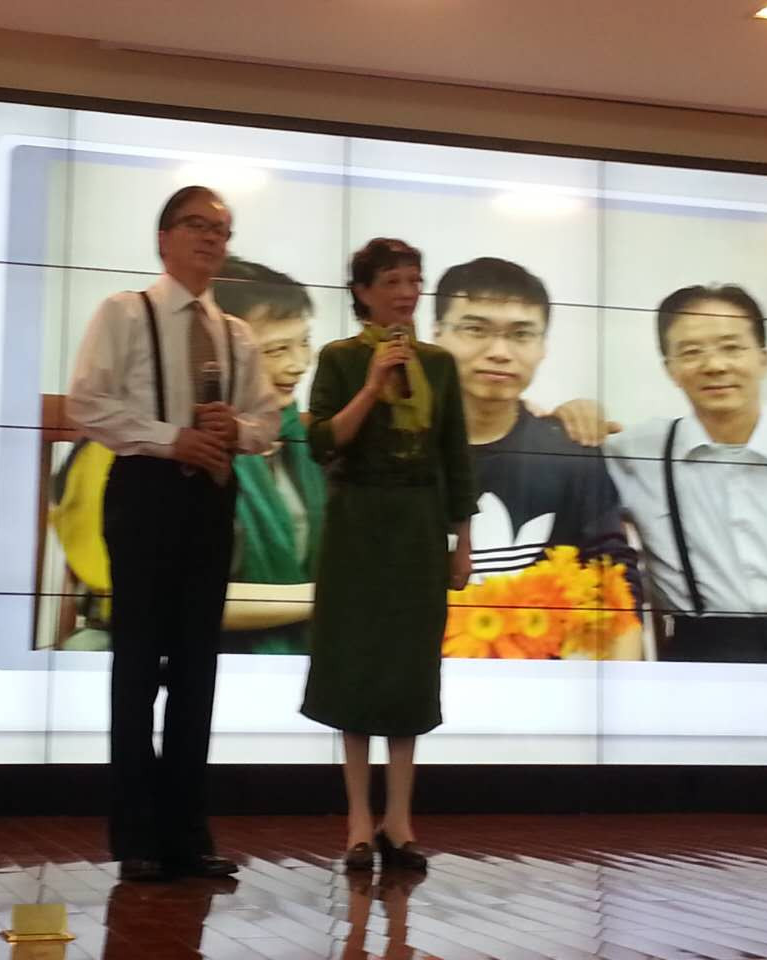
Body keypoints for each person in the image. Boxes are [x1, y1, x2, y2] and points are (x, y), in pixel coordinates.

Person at [67, 186, 280, 881]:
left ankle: (187, 836)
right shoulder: (125, 312)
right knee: (137, 669)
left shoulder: (235, 334)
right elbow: (87, 405)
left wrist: (235, 429)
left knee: (196, 671)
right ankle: (136, 838)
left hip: (210, 500)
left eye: (222, 230)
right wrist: (171, 438)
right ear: (164, 238)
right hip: (145, 493)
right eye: (197, 225)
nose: (212, 238)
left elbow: (268, 425)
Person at [300, 238, 476, 873]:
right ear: (363, 292)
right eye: (393, 281)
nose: (406, 293)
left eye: (413, 280)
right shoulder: (341, 358)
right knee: (355, 670)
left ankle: (399, 820)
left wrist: (462, 542)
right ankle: (356, 819)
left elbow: (456, 456)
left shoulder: (441, 364)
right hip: (357, 529)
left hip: (418, 529)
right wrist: (373, 386)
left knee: (408, 671)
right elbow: (323, 441)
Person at [577, 284, 767, 664]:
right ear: (670, 369)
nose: (714, 365)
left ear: (764, 359)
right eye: (691, 352)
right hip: (701, 652)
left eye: (732, 347)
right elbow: (563, 449)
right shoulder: (634, 454)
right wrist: (572, 413)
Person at [431, 257, 642, 659]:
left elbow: (614, 581)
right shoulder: (395, 450)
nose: (499, 352)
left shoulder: (571, 453)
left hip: (543, 683)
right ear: (437, 335)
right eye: (475, 329)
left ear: (543, 347)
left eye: (521, 334)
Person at [212, 256, 326, 654]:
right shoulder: (185, 450)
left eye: (304, 342)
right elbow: (178, 596)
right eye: (277, 349)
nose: (298, 365)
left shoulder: (300, 440)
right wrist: (327, 597)